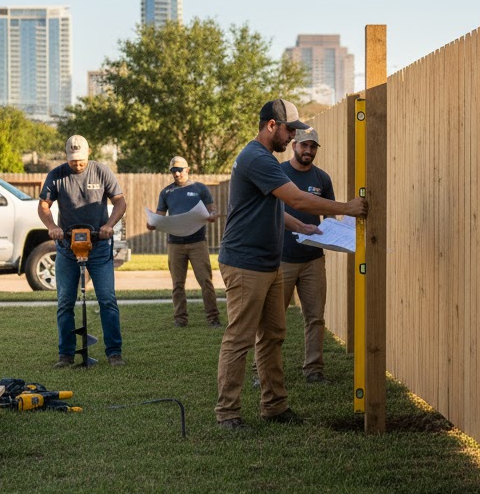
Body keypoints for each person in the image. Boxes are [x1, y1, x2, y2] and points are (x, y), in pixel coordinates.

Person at [215, 99, 368, 431]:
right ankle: (227, 413)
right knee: (239, 338)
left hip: (268, 263)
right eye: (289, 130)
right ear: (272, 126)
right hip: (246, 263)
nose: (293, 137)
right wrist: (347, 207)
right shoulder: (257, 158)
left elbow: (274, 209)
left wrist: (302, 227)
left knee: (273, 335)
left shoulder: (265, 159)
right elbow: (297, 199)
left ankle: (274, 406)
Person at [38, 135, 127, 367]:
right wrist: (52, 227)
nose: (77, 164)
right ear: (66, 156)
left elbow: (120, 202)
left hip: (99, 246)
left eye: (80, 160)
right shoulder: (57, 175)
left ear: (89, 153)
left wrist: (109, 226)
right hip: (67, 247)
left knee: (107, 299)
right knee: (65, 302)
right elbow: (44, 205)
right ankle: (66, 354)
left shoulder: (102, 172)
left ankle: (114, 353)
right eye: (72, 160)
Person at [281, 127, 336, 383]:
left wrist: (338, 233)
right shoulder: (279, 173)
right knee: (273, 319)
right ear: (294, 145)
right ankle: (263, 370)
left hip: (313, 260)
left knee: (315, 318)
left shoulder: (322, 179)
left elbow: (330, 216)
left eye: (313, 147)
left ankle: (313, 370)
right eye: (304, 145)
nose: (309, 151)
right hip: (282, 259)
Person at [148, 156, 221, 328]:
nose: (177, 174)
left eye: (180, 170)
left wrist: (212, 216)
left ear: (187, 169)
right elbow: (159, 216)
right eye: (173, 171)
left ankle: (213, 318)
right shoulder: (166, 192)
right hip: (175, 244)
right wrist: (152, 222)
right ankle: (180, 319)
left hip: (198, 243)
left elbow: (213, 211)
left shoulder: (200, 188)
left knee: (206, 281)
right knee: (177, 284)